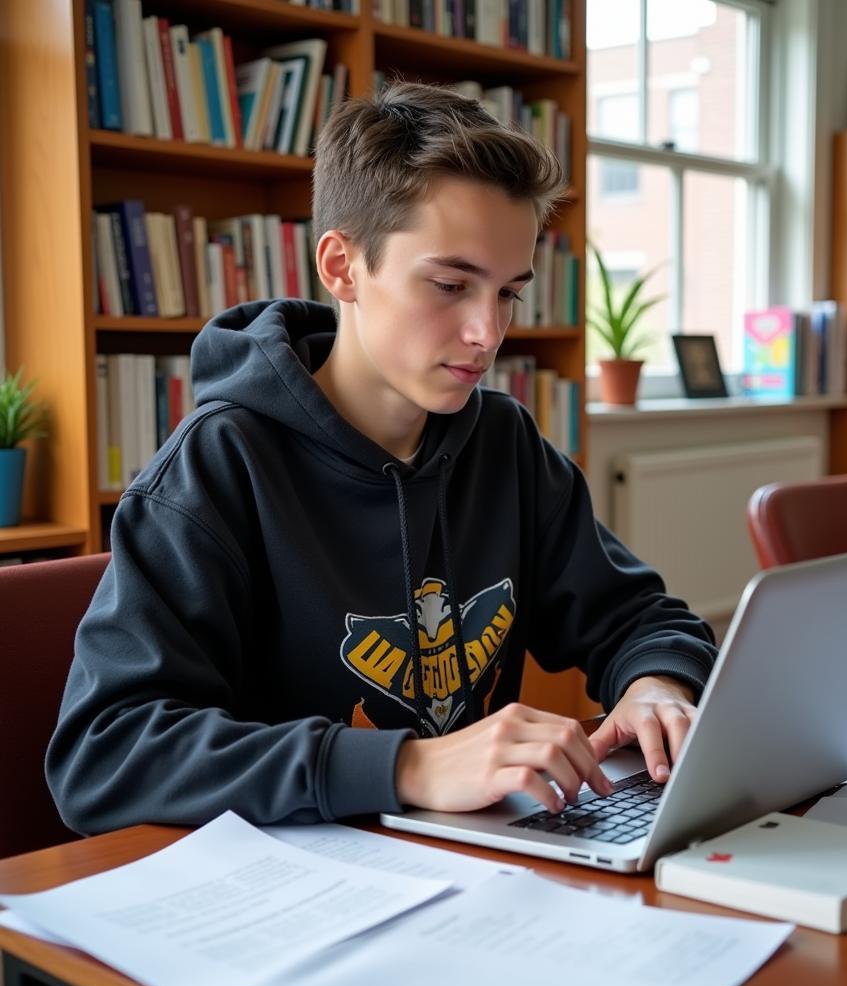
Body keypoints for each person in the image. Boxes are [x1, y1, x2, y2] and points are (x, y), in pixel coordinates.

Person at [47, 82, 717, 835]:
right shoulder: (216, 469)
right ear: (342, 267)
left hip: (474, 870)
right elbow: (105, 755)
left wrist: (658, 684)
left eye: (508, 295)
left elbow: (638, 615)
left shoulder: (506, 445)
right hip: (293, 895)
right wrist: (406, 767)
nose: (485, 333)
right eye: (450, 285)